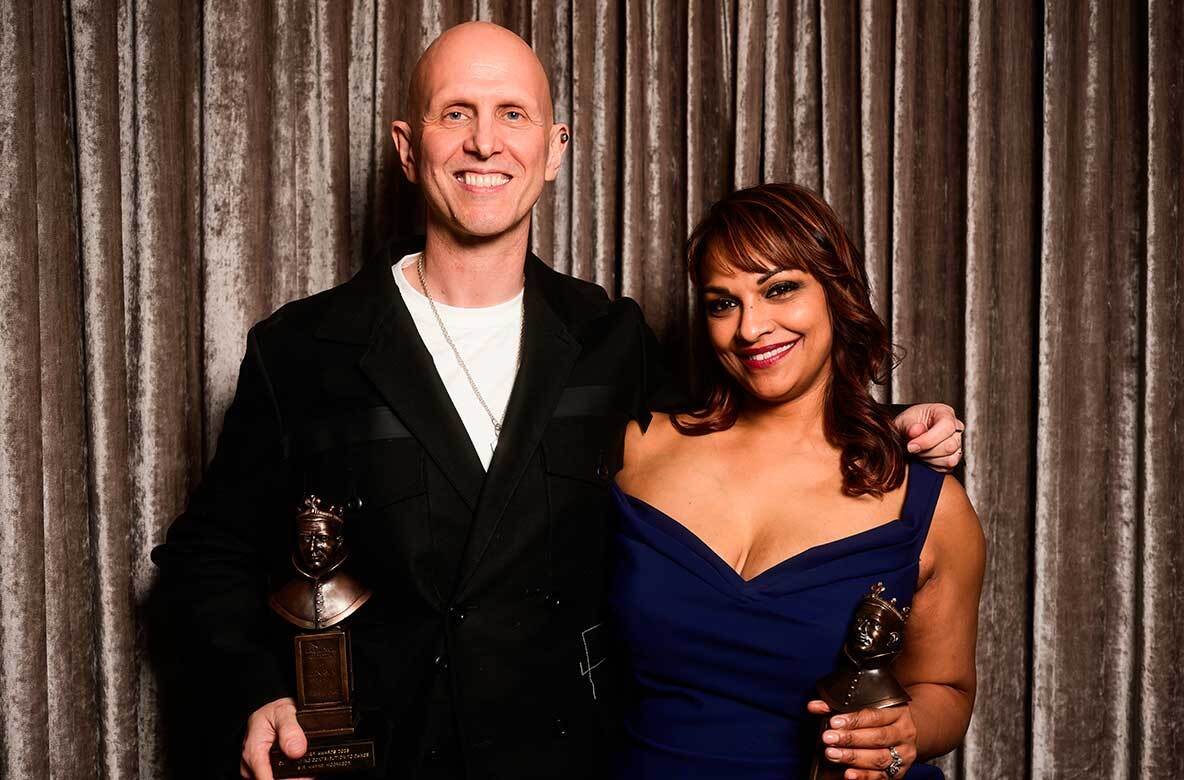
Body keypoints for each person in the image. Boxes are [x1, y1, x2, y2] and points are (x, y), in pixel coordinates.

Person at [150, 23, 965, 780]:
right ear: (407, 147)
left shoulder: (612, 339)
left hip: (573, 760)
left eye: (513, 114)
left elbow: (745, 425)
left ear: (553, 150)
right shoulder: (302, 348)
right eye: (454, 113)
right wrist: (256, 690)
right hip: (383, 757)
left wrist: (890, 424)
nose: (484, 141)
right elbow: (205, 558)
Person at [610, 183, 984, 779]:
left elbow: (947, 689)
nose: (752, 327)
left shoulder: (928, 505)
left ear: (836, 295)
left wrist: (904, 733)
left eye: (779, 288)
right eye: (721, 302)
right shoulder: (636, 450)